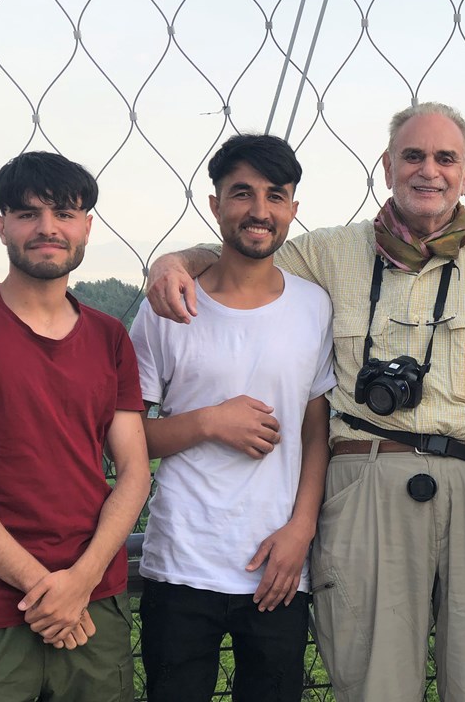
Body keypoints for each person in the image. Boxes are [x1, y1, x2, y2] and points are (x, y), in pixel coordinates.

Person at [144, 102, 465, 701]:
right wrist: (173, 262)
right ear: (385, 166)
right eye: (412, 156)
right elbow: (248, 248)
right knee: (373, 679)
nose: (427, 170)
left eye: (444, 158)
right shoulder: (325, 254)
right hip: (365, 476)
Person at [129, 135, 334, 702]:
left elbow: (316, 431)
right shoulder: (166, 307)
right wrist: (209, 422)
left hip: (278, 562)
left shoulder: (314, 306)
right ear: (215, 204)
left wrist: (302, 529)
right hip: (181, 561)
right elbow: (124, 438)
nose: (259, 210)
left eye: (276, 195)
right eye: (242, 193)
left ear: (294, 208)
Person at [0, 152, 151, 701]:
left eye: (64, 212)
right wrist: (46, 589)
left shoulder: (110, 338)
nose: (47, 228)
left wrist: (78, 582)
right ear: (1, 225)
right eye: (28, 214)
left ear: (86, 226)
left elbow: (133, 471)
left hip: (93, 596)